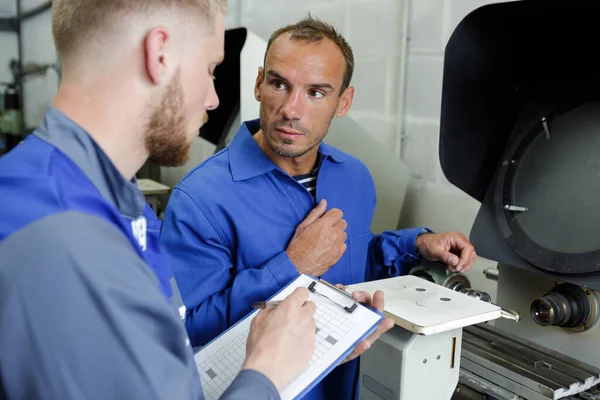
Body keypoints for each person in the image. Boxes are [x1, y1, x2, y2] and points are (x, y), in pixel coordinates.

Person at [0, 2, 391, 399]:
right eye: (209, 69)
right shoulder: (59, 235)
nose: (213, 99)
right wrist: (266, 372)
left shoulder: (119, 206)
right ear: (159, 55)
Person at [160, 15, 477, 400]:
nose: (291, 109)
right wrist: (291, 267)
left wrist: (416, 244)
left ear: (343, 102)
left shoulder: (355, 177)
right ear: (259, 84)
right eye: (279, 84)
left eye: (316, 93)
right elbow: (185, 330)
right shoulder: (202, 198)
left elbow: (355, 257)